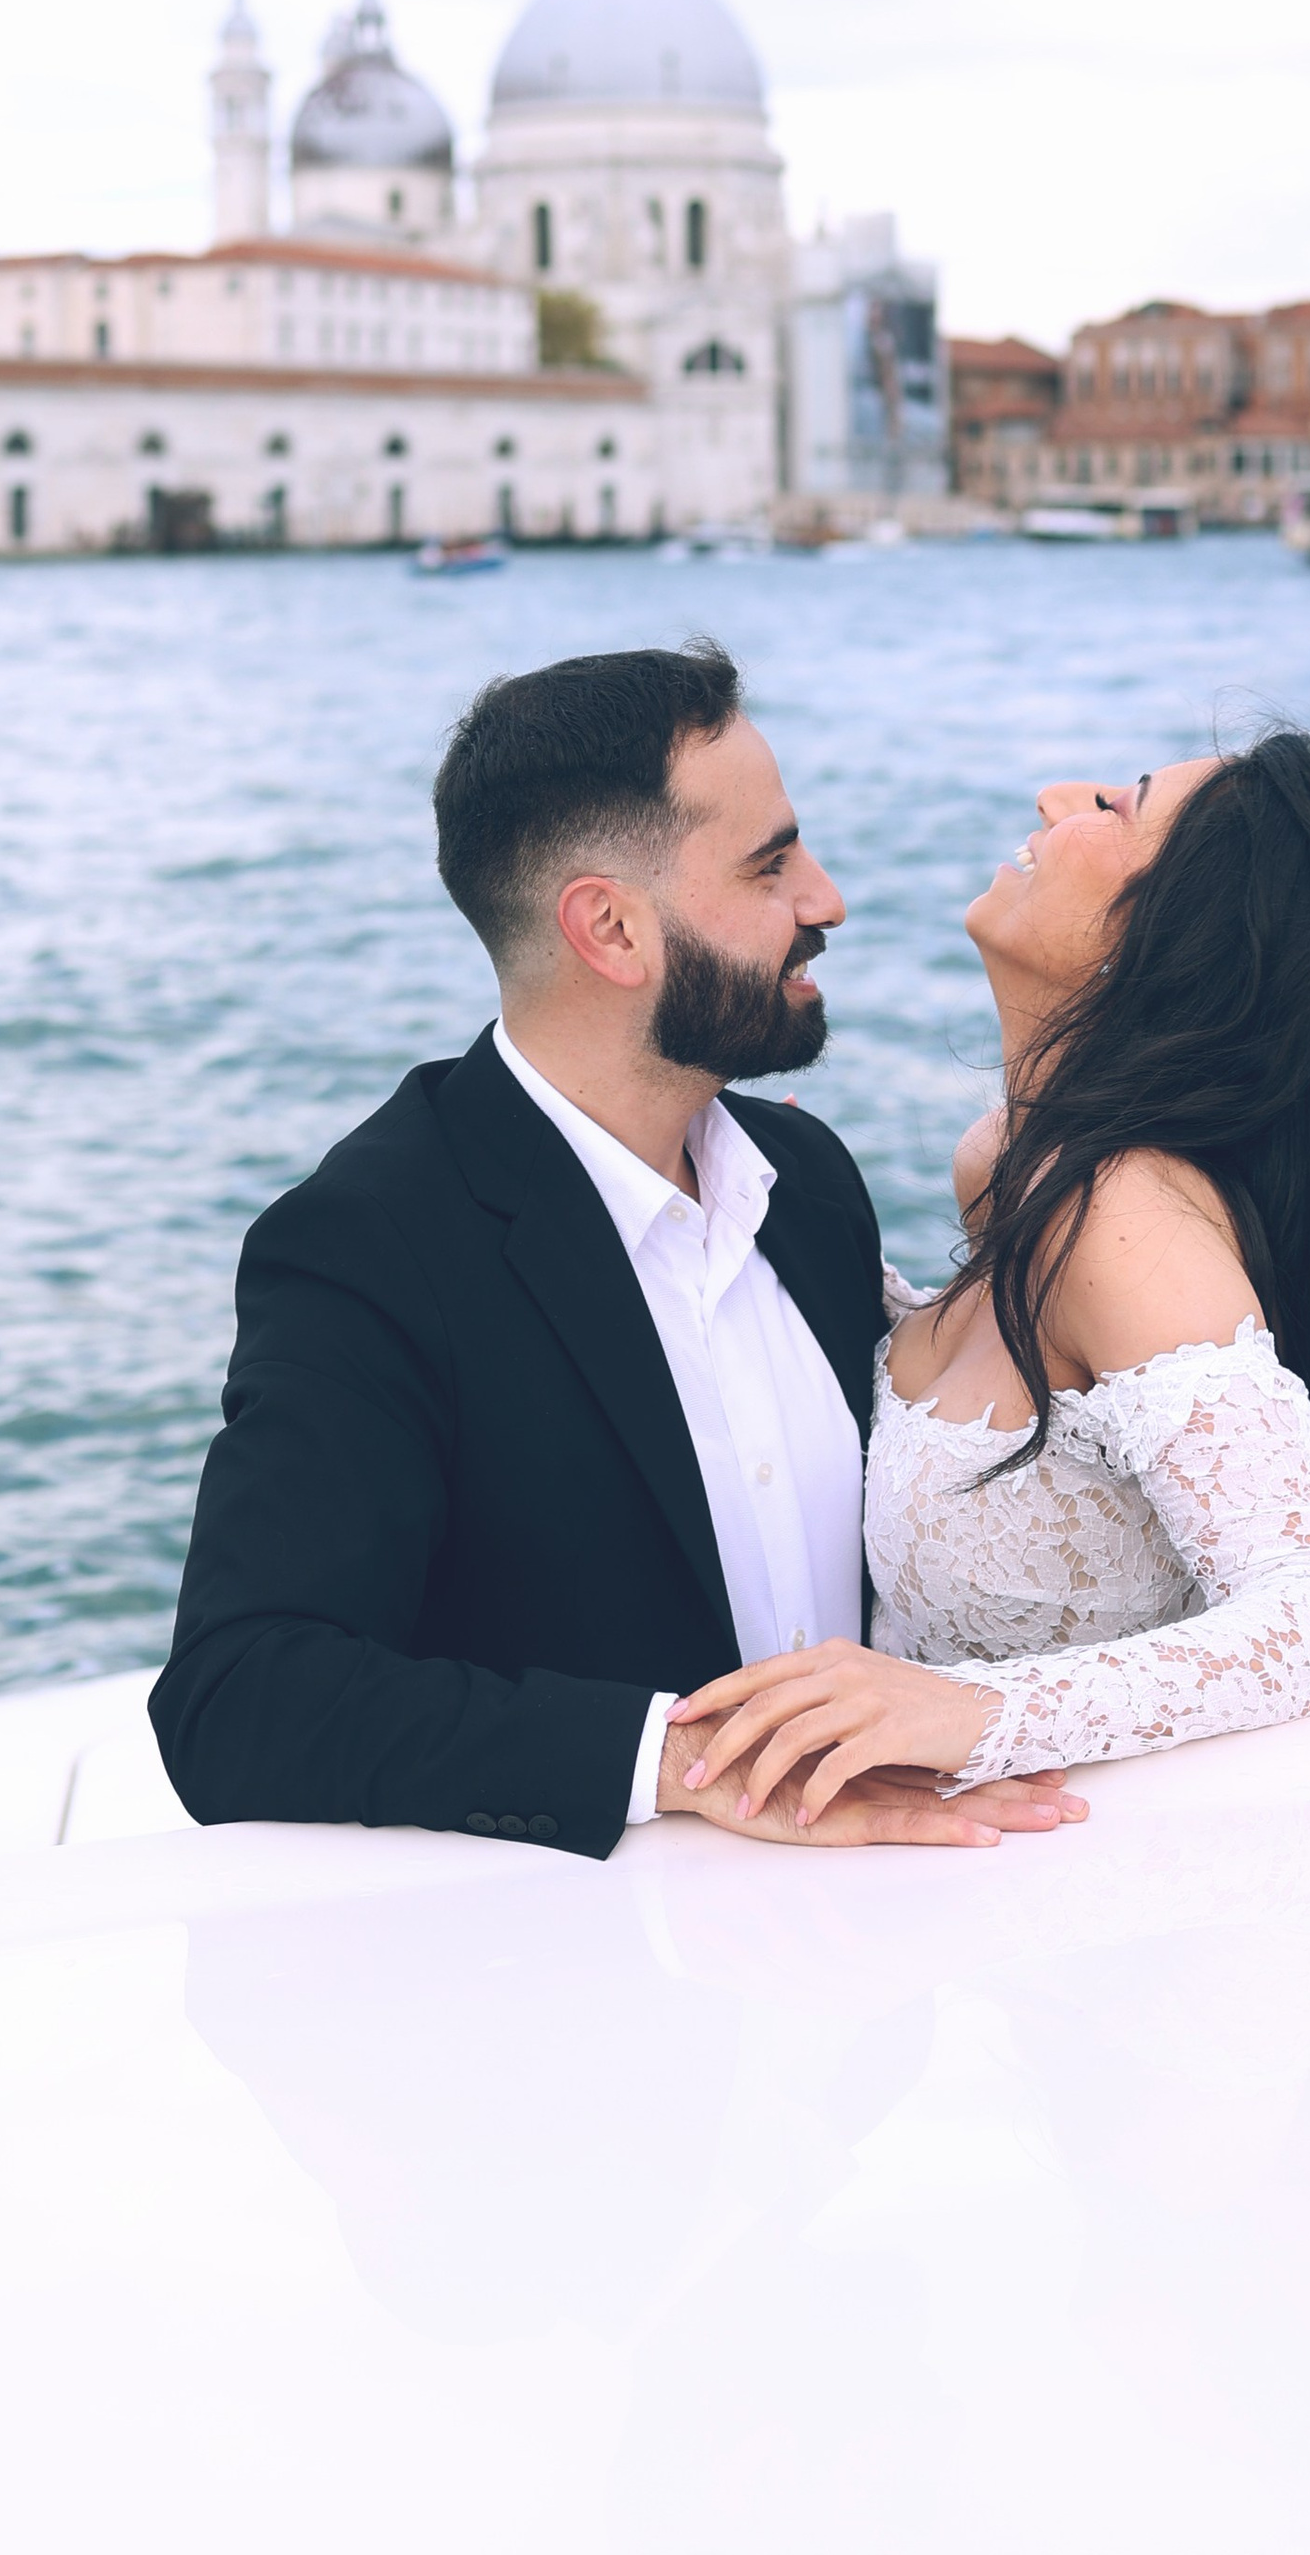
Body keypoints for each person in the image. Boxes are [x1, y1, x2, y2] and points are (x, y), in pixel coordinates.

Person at [152, 642, 1084, 1862]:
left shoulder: (808, 1185)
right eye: (770, 864)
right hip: (585, 1986)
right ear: (610, 929)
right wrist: (688, 1764)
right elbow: (241, 1694)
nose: (827, 899)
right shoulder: (368, 1243)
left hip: (875, 1958)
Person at [669, 734, 1310, 1824]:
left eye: (1116, 805)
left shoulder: (1115, 1208)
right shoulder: (1004, 1167)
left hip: (1129, 1893)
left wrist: (969, 1714)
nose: (1052, 796)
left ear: (1182, 938)